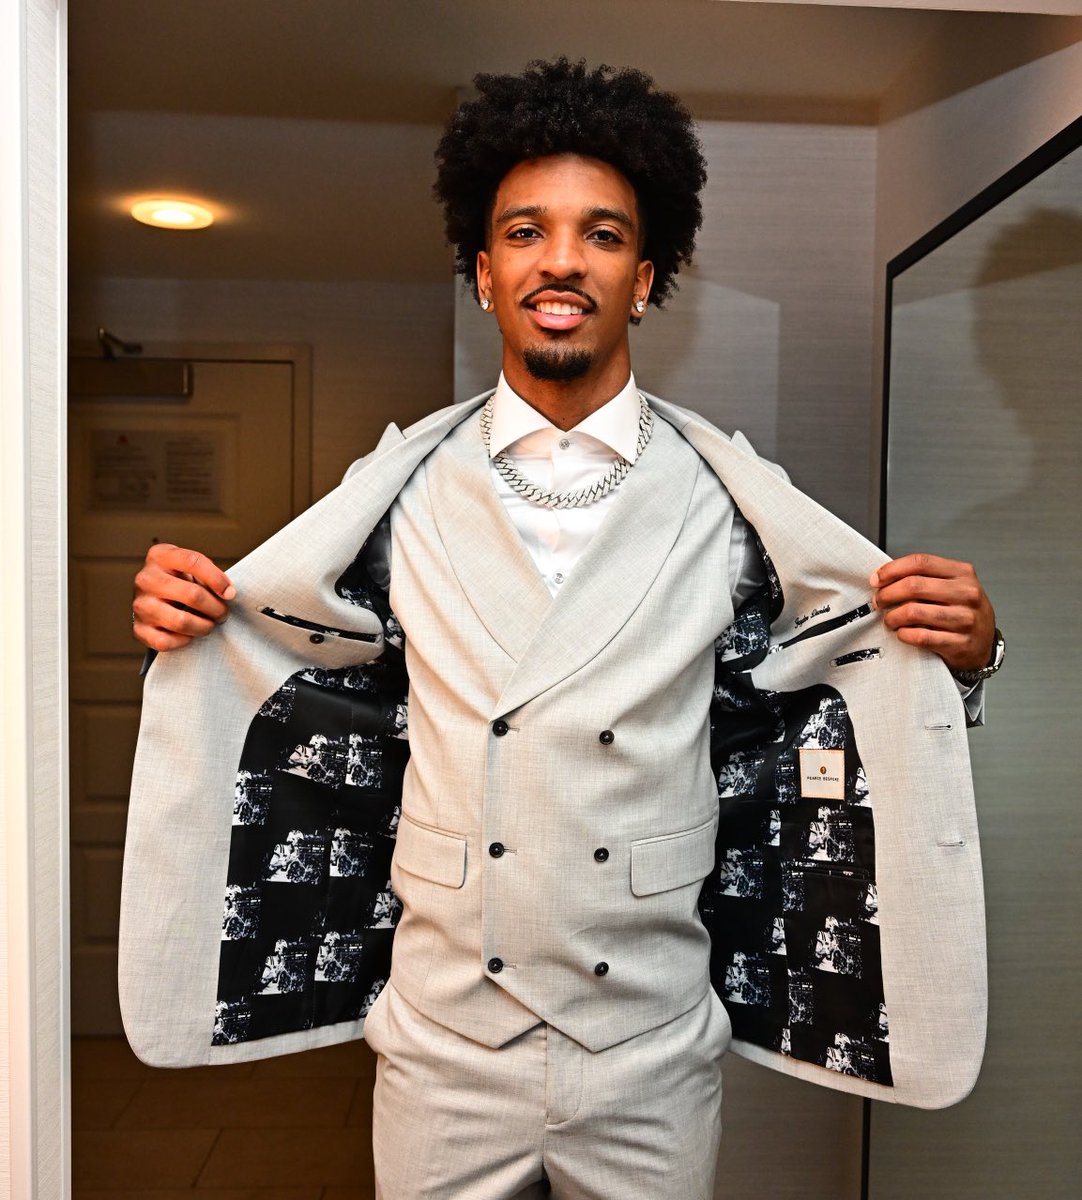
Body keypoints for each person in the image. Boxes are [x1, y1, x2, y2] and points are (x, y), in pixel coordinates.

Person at [129, 59, 999, 1200]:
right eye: (525, 232)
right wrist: (193, 617)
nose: (561, 260)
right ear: (484, 274)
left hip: (651, 1045)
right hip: (441, 1046)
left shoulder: (734, 506)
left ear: (644, 279)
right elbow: (296, 661)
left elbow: (825, 684)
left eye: (601, 235)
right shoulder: (390, 497)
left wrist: (967, 655)